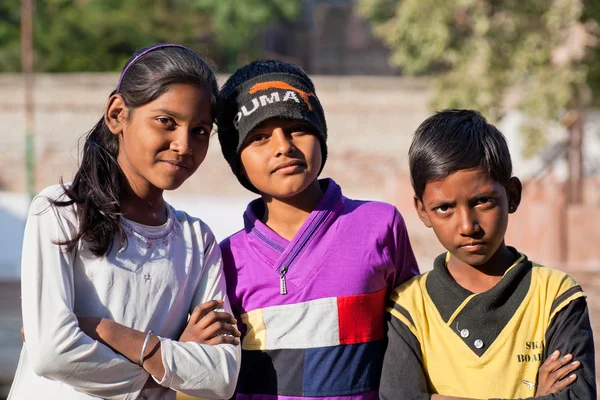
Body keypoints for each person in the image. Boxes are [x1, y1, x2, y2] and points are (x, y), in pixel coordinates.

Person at [9, 44, 241, 400]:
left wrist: (108, 332)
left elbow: (220, 377)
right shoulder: (60, 211)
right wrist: (166, 362)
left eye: (199, 131)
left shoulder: (198, 241)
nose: (183, 144)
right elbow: (52, 353)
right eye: (166, 122)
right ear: (118, 114)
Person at [216, 60, 420, 399]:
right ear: (237, 160)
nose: (283, 146)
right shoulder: (223, 259)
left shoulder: (379, 225)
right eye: (259, 137)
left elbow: (414, 340)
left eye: (297, 128)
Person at [380, 109, 596, 399]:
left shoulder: (555, 296)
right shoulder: (408, 307)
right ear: (423, 211)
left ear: (513, 195)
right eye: (444, 208)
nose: (467, 226)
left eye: (483, 201)